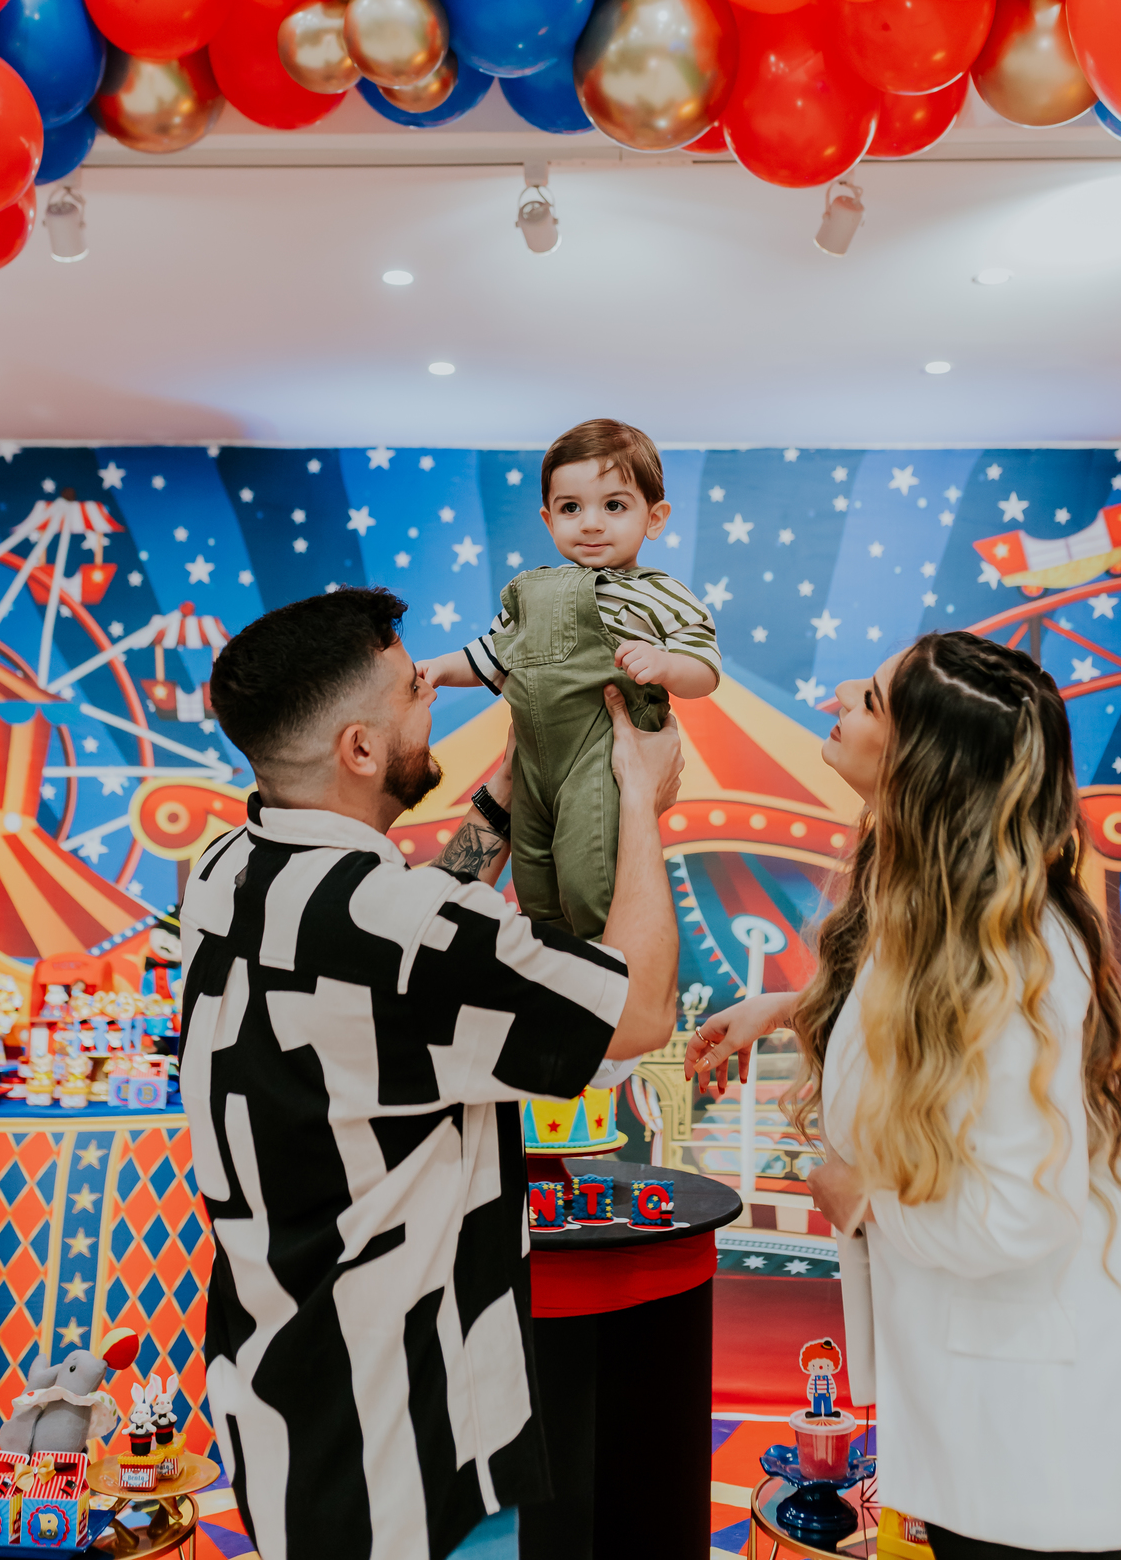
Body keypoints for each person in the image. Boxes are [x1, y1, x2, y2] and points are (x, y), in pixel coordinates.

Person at [178, 587, 682, 1560]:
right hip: (401, 1442)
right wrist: (635, 798)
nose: (435, 699)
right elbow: (638, 1012)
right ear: (360, 750)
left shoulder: (225, 869)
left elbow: (405, 953)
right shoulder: (399, 931)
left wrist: (502, 800)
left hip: (279, 1400)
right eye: (414, 690)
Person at [686, 631, 1121, 1560]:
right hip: (1017, 1424)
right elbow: (926, 1026)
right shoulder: (946, 907)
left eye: (869, 698)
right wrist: (791, 1006)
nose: (837, 695)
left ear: (922, 761)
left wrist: (864, 1198)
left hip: (1052, 1445)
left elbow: (1020, 1216)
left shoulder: (1015, 953)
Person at [419, 418, 720, 939]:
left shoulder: (660, 593)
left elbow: (705, 669)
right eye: (571, 508)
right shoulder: (528, 593)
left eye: (615, 506)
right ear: (548, 518)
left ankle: (610, 954)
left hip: (599, 759)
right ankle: (555, 952)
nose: (591, 523)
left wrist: (666, 664)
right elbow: (491, 657)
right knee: (535, 877)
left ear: (655, 518)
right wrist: (443, 668)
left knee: (592, 871)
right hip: (533, 765)